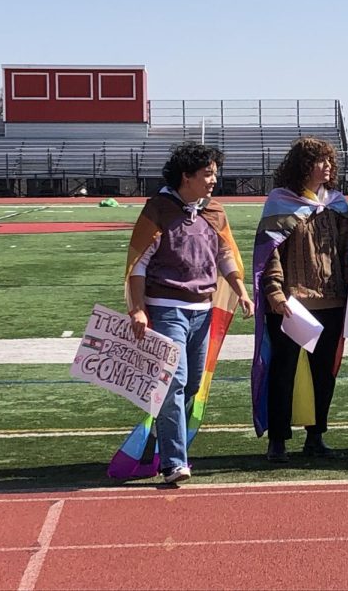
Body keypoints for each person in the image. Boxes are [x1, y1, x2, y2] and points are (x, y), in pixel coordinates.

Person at [115, 142, 253, 484]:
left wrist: (242, 293)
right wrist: (138, 309)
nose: (213, 181)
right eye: (207, 174)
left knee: (190, 385)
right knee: (173, 382)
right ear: (186, 176)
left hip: (203, 311)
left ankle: (156, 441)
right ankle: (174, 462)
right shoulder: (158, 209)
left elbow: (226, 257)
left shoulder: (215, 213)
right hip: (166, 309)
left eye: (215, 174)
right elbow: (138, 263)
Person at [251, 137, 348, 462]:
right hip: (292, 305)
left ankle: (316, 436)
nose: (327, 167)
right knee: (284, 371)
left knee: (325, 372)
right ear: (303, 165)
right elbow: (270, 254)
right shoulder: (280, 202)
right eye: (320, 161)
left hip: (333, 301)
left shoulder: (337, 204)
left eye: (329, 161)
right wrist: (276, 293)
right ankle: (277, 441)